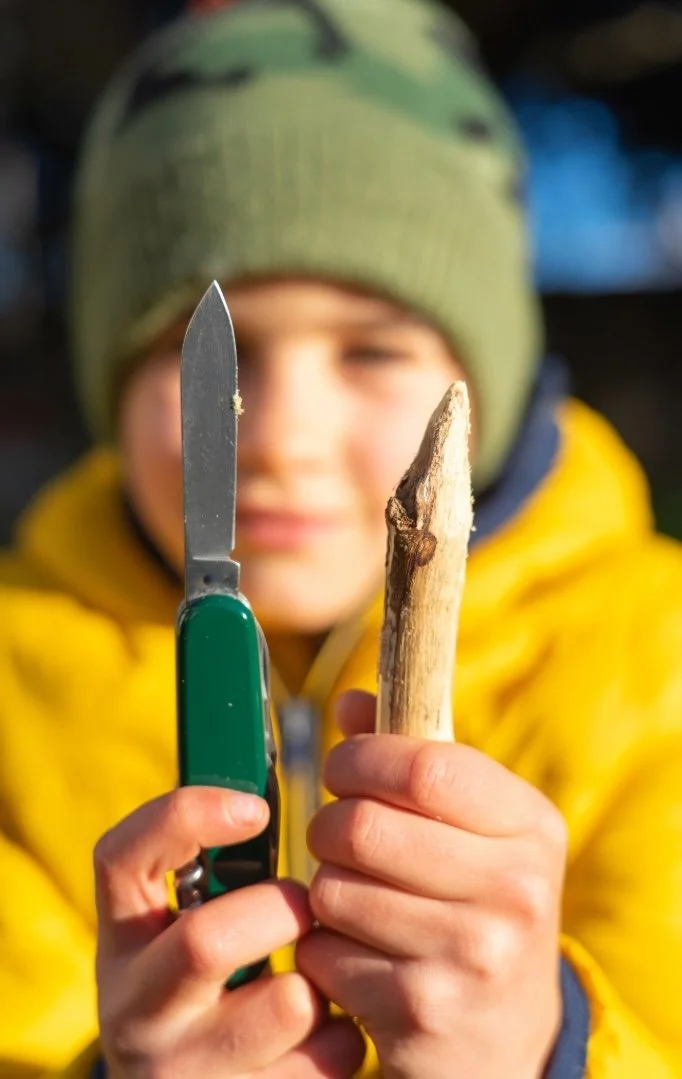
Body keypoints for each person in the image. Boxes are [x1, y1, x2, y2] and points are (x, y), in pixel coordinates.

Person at [1, 1, 681, 1077]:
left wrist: (543, 1049)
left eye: (368, 350)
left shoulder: (657, 662)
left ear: (482, 386)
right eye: (214, 361)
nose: (276, 437)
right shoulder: (14, 682)